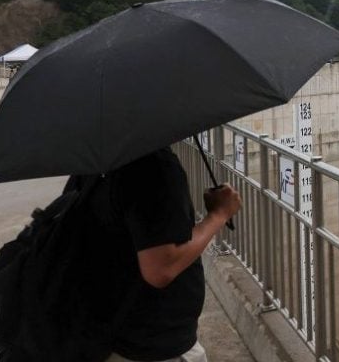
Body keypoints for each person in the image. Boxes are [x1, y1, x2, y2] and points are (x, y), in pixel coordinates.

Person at [77, 147, 241, 362]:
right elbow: (161, 268)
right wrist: (219, 214)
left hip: (111, 330)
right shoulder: (153, 165)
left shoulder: (97, 161)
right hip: (153, 341)